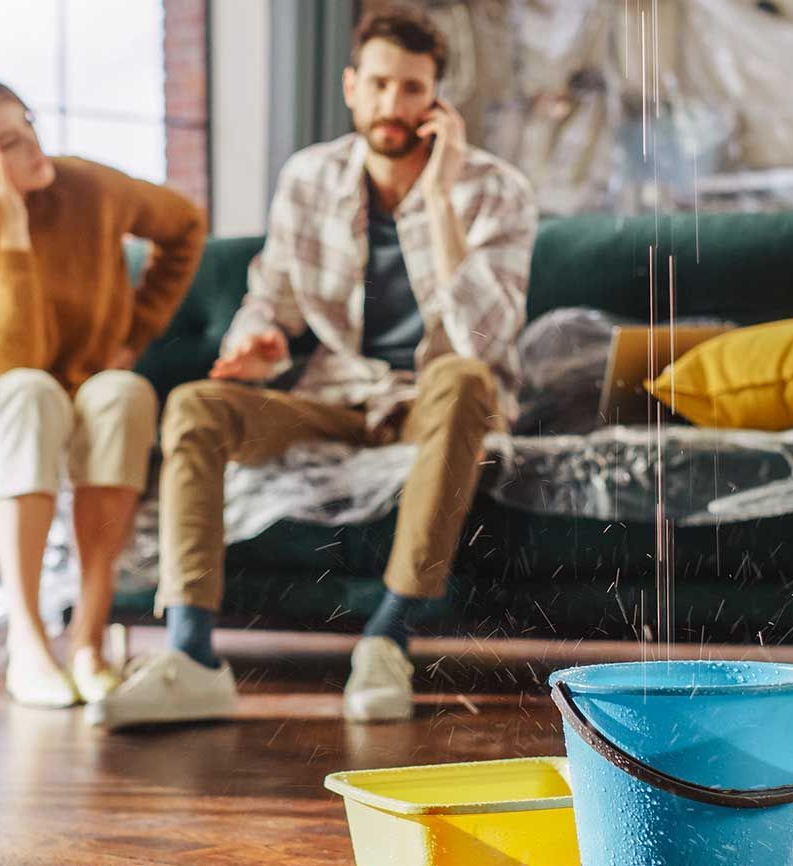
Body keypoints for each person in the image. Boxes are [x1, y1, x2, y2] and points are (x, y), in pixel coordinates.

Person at [87, 8, 537, 729]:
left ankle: (386, 639)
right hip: (337, 393)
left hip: (435, 399)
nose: (394, 105)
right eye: (381, 85)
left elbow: (484, 338)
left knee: (467, 378)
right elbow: (271, 300)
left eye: (413, 89)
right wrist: (259, 343)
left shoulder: (495, 190)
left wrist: (445, 194)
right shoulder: (310, 178)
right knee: (197, 406)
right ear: (351, 86)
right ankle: (193, 654)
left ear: (437, 102)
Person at [0, 75, 206, 709]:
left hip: (77, 396)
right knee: (29, 391)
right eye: (9, 143)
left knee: (124, 392)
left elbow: (185, 224)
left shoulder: (89, 189)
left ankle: (89, 641)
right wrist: (12, 234)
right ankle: (28, 640)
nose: (35, 148)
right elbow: (13, 358)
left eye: (30, 125)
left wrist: (138, 331)